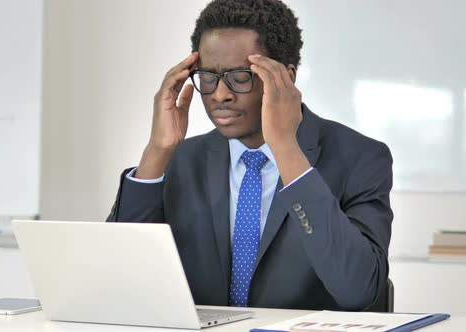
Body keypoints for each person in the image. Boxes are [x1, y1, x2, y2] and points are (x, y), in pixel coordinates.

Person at [106, 0, 393, 311]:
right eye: (207, 77)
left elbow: (359, 290)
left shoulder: (360, 158)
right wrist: (157, 151)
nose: (219, 94)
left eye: (239, 77)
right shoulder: (180, 160)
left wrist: (285, 148)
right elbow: (116, 276)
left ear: (286, 78)